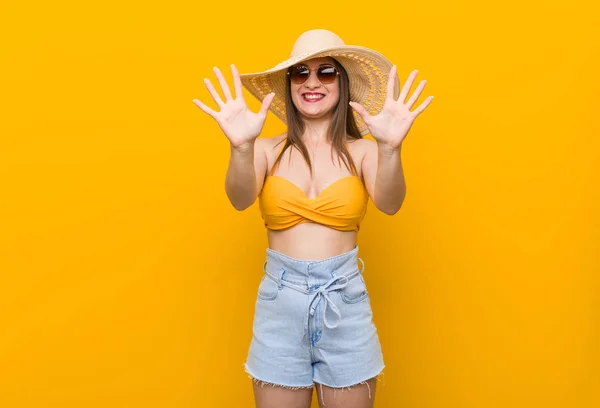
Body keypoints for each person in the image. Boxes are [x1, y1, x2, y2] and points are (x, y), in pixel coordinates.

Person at [193, 29, 433, 408]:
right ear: (289, 85)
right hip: (280, 301)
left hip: (344, 300)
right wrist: (240, 148)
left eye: (326, 72)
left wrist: (390, 148)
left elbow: (390, 203)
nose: (312, 82)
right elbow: (239, 198)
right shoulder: (267, 149)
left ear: (343, 81)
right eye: (300, 72)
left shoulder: (364, 152)